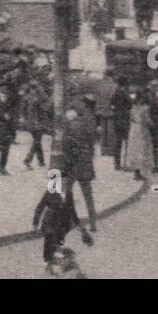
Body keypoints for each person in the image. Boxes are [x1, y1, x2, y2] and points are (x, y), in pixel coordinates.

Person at [32, 187, 88, 270]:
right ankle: (50, 261)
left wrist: (79, 226)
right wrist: (35, 222)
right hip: (50, 223)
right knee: (49, 244)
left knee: (56, 243)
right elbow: (40, 206)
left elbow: (72, 211)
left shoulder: (69, 194)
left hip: (63, 225)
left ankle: (57, 260)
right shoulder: (50, 192)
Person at [64, 98, 98, 232]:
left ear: (70, 114)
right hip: (85, 164)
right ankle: (93, 223)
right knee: (88, 196)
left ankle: (69, 220)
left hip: (73, 165)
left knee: (67, 192)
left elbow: (66, 147)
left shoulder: (68, 127)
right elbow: (92, 147)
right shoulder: (85, 126)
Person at [126, 86, 158, 179]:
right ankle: (145, 171)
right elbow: (147, 120)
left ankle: (136, 172)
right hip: (142, 129)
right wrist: (153, 126)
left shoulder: (133, 107)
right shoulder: (145, 108)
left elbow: (131, 118)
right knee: (144, 149)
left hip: (134, 129)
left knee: (135, 149)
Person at [22, 77, 52, 169]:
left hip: (31, 122)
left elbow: (24, 111)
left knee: (37, 140)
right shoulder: (37, 98)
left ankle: (41, 161)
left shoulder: (27, 97)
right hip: (37, 122)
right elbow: (44, 109)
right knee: (37, 141)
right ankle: (27, 160)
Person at [108, 77, 131, 170]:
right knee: (125, 141)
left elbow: (111, 105)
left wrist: (115, 110)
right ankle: (124, 163)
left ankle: (117, 163)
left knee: (118, 141)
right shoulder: (124, 93)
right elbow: (130, 104)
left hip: (117, 118)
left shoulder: (115, 93)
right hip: (124, 118)